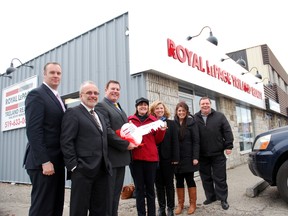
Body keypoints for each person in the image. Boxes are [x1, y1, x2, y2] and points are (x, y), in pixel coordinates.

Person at [60, 80, 130, 216]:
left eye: (95, 93)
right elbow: (66, 141)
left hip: (102, 171)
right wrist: (73, 166)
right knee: (79, 209)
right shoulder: (73, 113)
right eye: (89, 93)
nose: (93, 95)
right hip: (82, 171)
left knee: (99, 209)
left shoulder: (99, 116)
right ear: (81, 95)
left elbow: (103, 139)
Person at [23, 62, 66, 216]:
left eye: (58, 73)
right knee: (42, 208)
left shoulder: (56, 97)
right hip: (44, 164)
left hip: (57, 162)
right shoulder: (37, 95)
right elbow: (34, 130)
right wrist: (45, 161)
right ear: (44, 74)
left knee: (55, 206)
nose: (56, 76)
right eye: (52, 72)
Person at [95, 80, 133, 216]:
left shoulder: (117, 106)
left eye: (118, 89)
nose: (115, 91)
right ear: (106, 90)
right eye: (112, 89)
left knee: (116, 194)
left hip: (121, 159)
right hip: (111, 159)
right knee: (108, 195)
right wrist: (126, 144)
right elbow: (107, 131)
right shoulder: (101, 106)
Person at [194, 96, 234, 210]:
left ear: (210, 104)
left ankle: (223, 199)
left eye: (207, 103)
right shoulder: (195, 118)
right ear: (200, 105)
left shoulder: (219, 116)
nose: (205, 105)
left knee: (220, 177)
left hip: (217, 153)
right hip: (202, 155)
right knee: (205, 178)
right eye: (203, 104)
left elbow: (227, 131)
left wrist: (229, 145)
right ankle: (210, 197)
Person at [129, 97, 166, 216]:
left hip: (151, 159)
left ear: (148, 107)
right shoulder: (130, 120)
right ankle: (141, 214)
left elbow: (157, 140)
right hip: (136, 159)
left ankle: (151, 213)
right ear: (136, 107)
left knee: (150, 189)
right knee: (139, 189)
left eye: (145, 105)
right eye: (140, 105)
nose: (143, 107)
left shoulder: (153, 120)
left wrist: (162, 131)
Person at [149, 100, 179, 216]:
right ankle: (161, 208)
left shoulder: (171, 124)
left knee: (169, 184)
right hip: (154, 159)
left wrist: (175, 158)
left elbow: (175, 142)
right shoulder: (151, 124)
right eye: (157, 108)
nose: (159, 110)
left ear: (164, 109)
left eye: (161, 108)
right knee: (158, 184)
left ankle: (170, 208)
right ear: (153, 111)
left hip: (168, 159)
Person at [173, 101, 200, 215]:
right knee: (178, 180)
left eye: (183, 111)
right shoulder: (173, 123)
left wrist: (195, 157)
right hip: (176, 158)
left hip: (189, 158)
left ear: (186, 111)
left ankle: (193, 204)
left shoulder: (192, 123)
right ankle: (180, 204)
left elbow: (196, 141)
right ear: (176, 112)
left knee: (190, 180)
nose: (181, 113)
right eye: (179, 111)